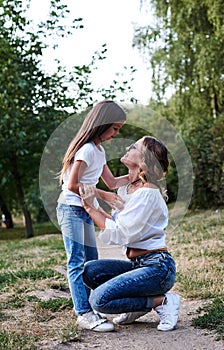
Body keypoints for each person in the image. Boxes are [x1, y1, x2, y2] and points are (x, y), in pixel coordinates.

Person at [81, 136, 181, 331]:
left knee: (99, 300)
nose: (128, 146)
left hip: (157, 268)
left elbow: (120, 234)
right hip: (139, 265)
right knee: (89, 271)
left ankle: (161, 302)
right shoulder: (133, 190)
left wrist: (89, 208)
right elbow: (115, 220)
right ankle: (138, 304)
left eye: (134, 146)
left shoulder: (147, 193)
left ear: (144, 159)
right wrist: (94, 201)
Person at [56, 100, 129, 332]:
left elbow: (112, 182)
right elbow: (72, 184)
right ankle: (83, 313)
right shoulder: (86, 148)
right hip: (71, 209)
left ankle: (90, 306)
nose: (116, 134)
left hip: (86, 208)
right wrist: (103, 196)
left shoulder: (99, 150)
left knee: (92, 261)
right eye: (115, 128)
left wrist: (140, 171)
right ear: (102, 124)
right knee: (77, 261)